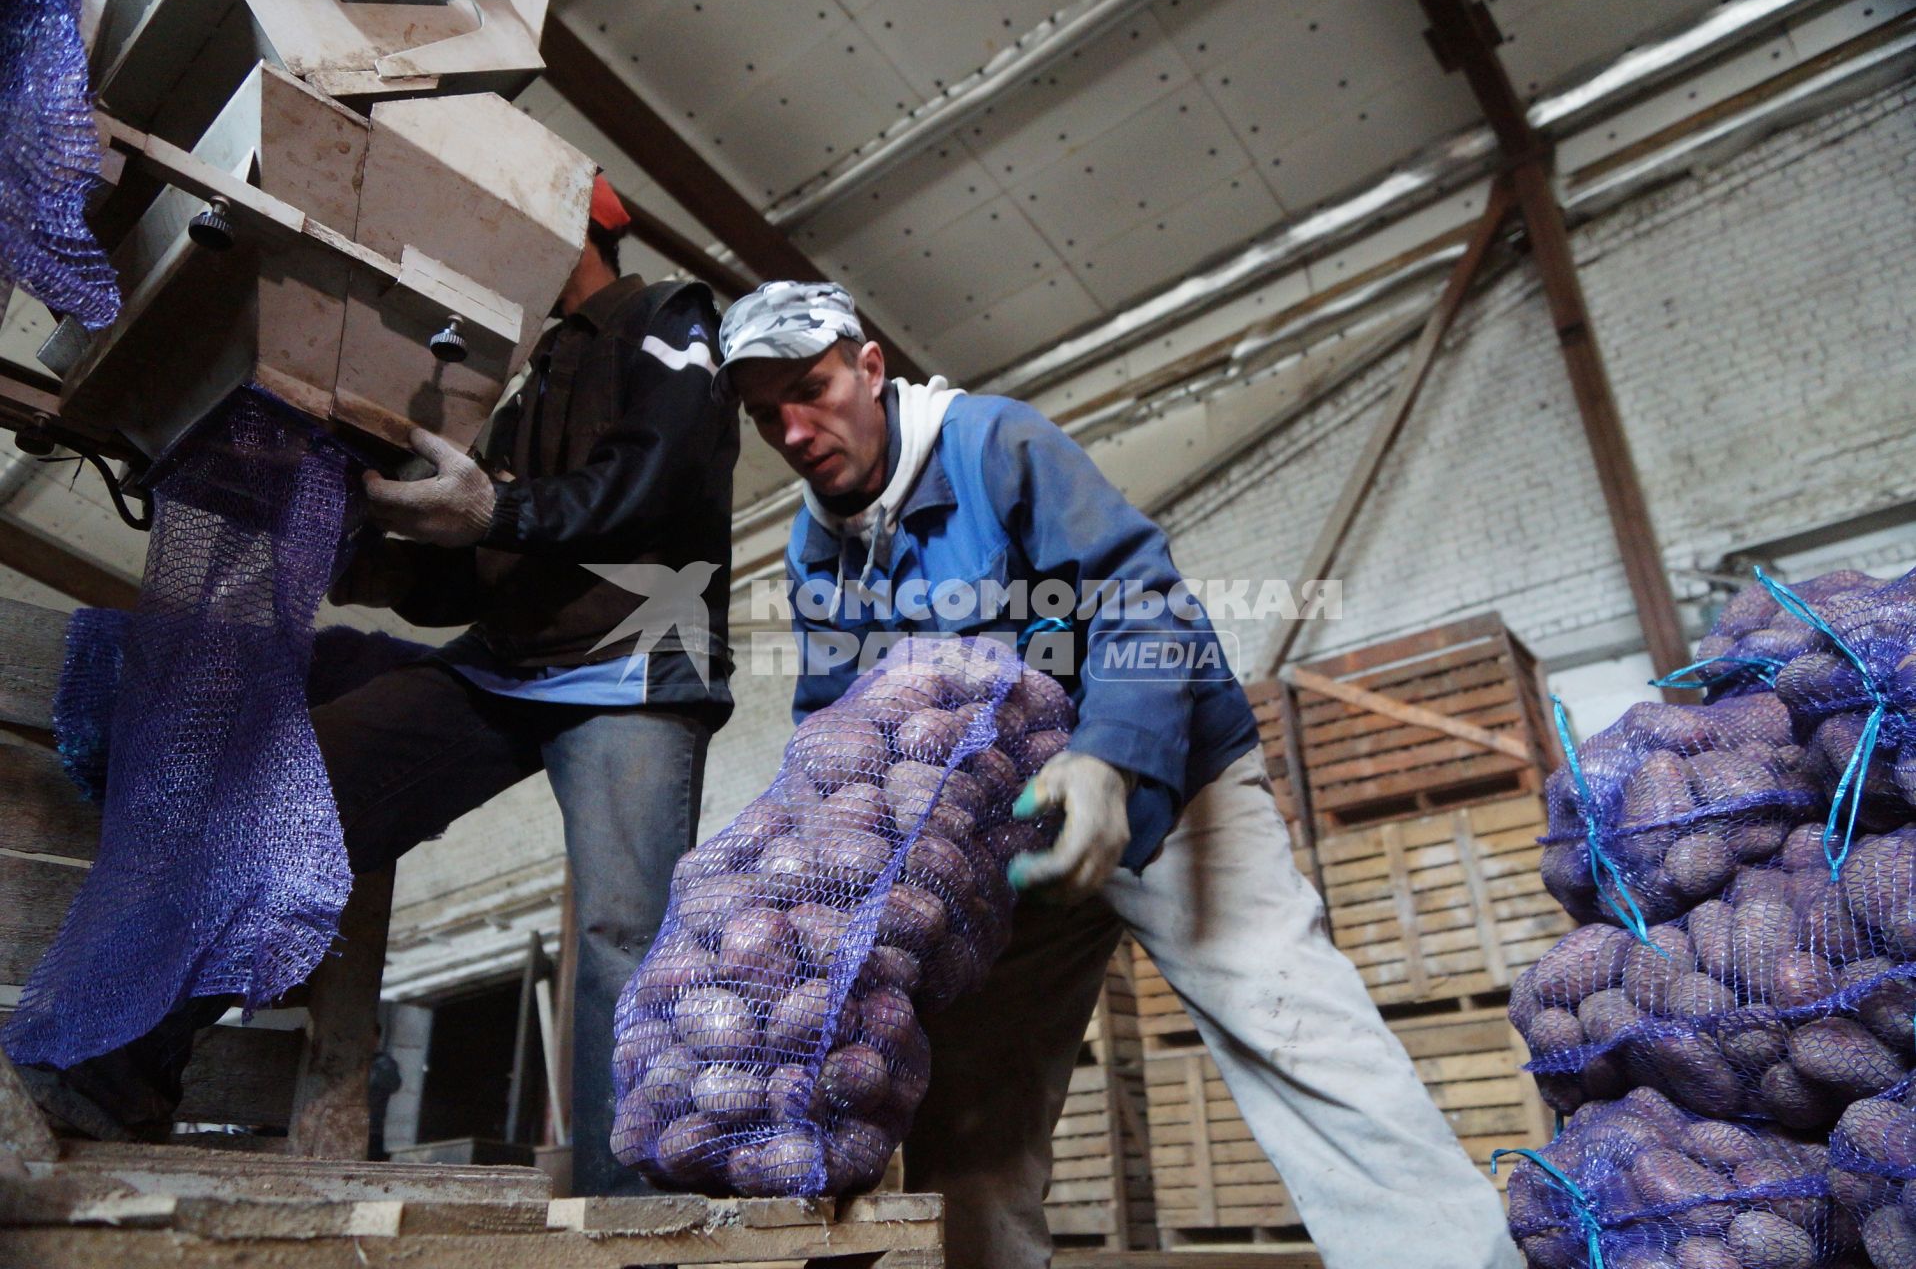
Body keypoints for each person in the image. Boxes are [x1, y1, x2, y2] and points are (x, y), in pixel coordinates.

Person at [713, 281, 1520, 1269]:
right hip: (1003, 848)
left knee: (1294, 1026)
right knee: (967, 1116)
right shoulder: (814, 548)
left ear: (869, 367)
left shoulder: (992, 445)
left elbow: (1143, 598)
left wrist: (1110, 758)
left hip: (1166, 782)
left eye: (811, 388)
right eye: (765, 415)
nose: (793, 430)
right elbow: (833, 726)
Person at [29, 176, 737, 1198]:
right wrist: (366, 555)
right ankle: (111, 1081)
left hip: (632, 670)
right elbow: (472, 569)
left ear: (578, 229)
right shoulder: (529, 377)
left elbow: (656, 473)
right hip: (505, 664)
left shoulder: (665, 317)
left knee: (620, 934)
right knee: (287, 798)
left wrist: (494, 510)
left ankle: (627, 1226)